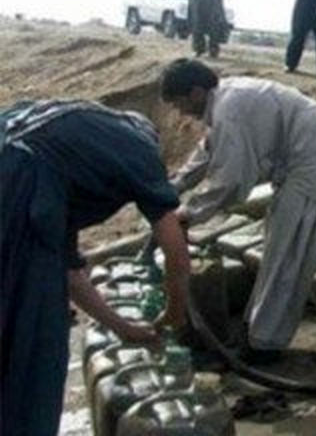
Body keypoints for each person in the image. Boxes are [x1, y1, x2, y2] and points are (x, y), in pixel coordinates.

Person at [1, 100, 190, 436]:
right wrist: (176, 309)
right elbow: (172, 238)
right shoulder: (139, 149)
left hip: (14, 183)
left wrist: (122, 327)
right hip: (14, 192)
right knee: (33, 336)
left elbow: (70, 273)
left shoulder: (66, 152)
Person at [161, 59, 316, 363]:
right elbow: (208, 152)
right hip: (299, 168)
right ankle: (257, 332)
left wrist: (189, 214)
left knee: (288, 261)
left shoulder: (229, 108)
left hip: (312, 172)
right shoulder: (225, 101)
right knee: (278, 254)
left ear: (195, 92)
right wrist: (175, 186)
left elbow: (231, 181)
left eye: (180, 103)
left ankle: (264, 346)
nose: (181, 113)